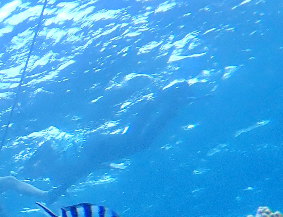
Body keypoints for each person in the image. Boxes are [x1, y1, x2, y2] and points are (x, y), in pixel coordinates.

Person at [24, 80, 196, 197]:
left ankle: (156, 100)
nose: (37, 175)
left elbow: (68, 164)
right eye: (34, 176)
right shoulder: (55, 174)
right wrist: (105, 165)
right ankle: (171, 106)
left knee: (133, 139)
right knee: (140, 143)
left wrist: (58, 189)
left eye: (33, 171)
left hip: (93, 147)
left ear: (34, 162)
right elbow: (81, 170)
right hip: (97, 153)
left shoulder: (49, 160)